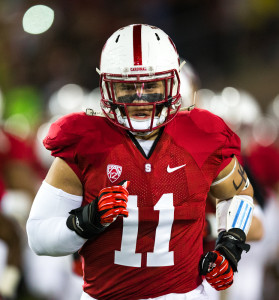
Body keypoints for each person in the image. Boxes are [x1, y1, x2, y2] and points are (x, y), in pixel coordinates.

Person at [27, 24, 255, 300]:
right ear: (107, 86)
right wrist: (85, 221)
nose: (139, 99)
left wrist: (229, 243)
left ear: (172, 83)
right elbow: (38, 236)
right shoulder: (85, 143)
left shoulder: (203, 133)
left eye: (151, 86)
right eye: (126, 87)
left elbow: (239, 193)